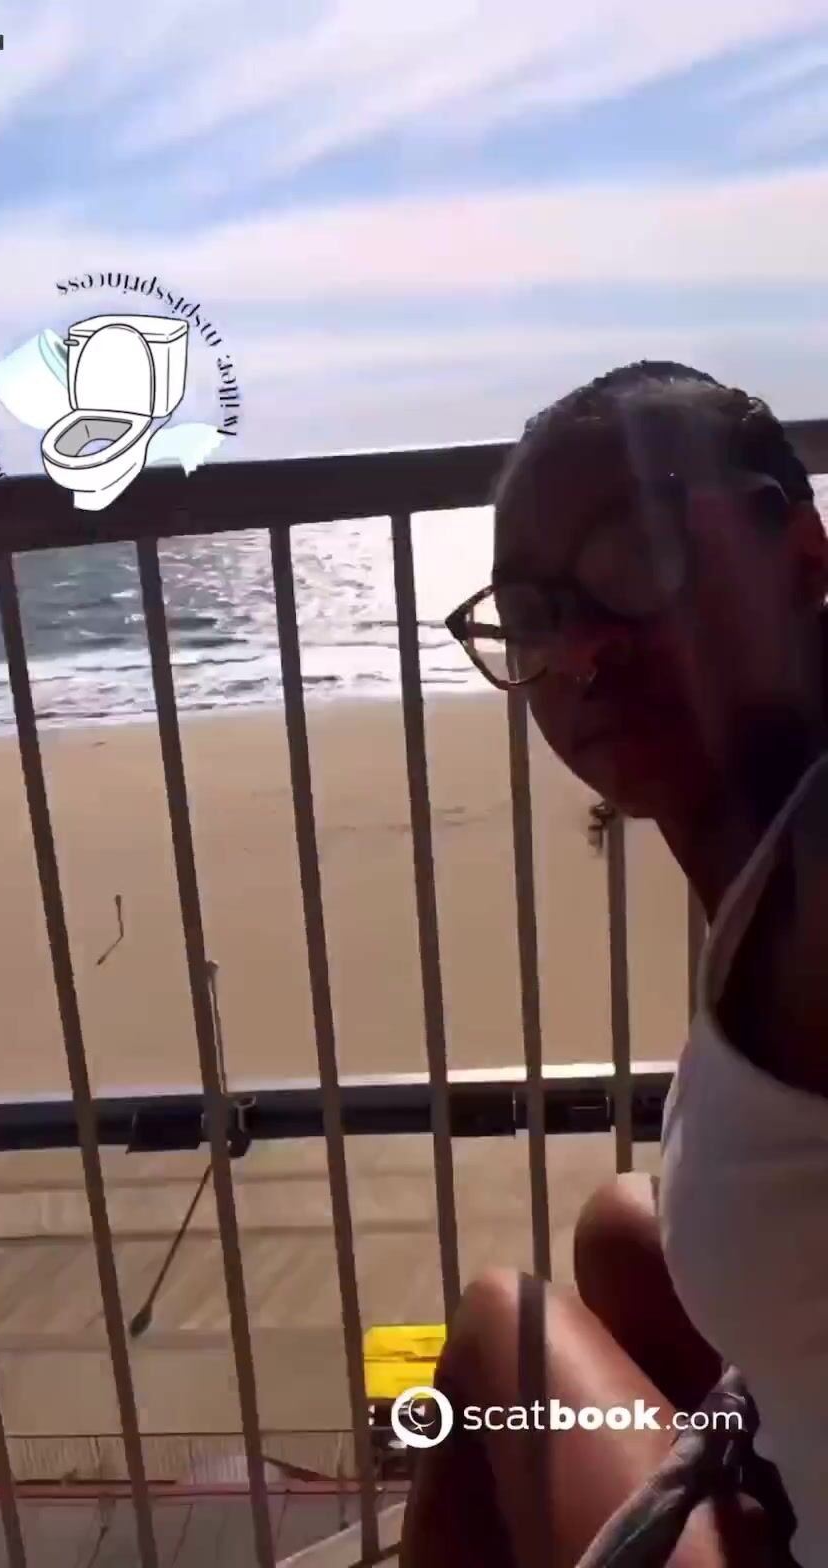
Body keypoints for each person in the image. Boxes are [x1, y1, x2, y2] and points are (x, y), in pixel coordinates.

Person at [400, 362, 828, 1568]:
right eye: (532, 614)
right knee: (619, 1228)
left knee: (505, 1324)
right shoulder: (771, 837)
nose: (582, 650)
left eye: (642, 558)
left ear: (801, 555)